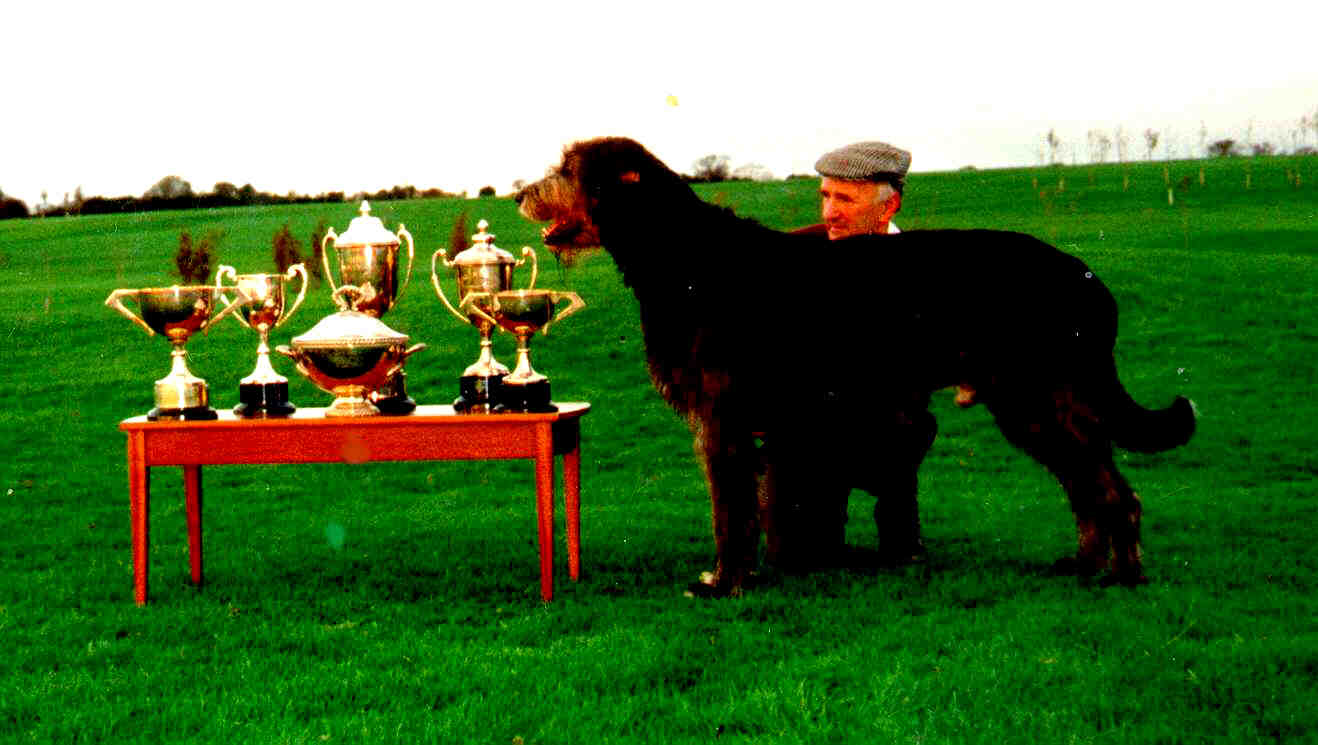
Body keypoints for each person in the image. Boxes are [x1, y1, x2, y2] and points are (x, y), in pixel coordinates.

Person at [773, 140, 928, 570]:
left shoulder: (923, 267)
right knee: (796, 557)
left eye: (845, 199)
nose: (828, 213)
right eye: (825, 196)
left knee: (895, 425)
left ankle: (900, 529)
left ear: (888, 205)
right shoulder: (795, 253)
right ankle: (813, 526)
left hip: (887, 422)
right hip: (805, 423)